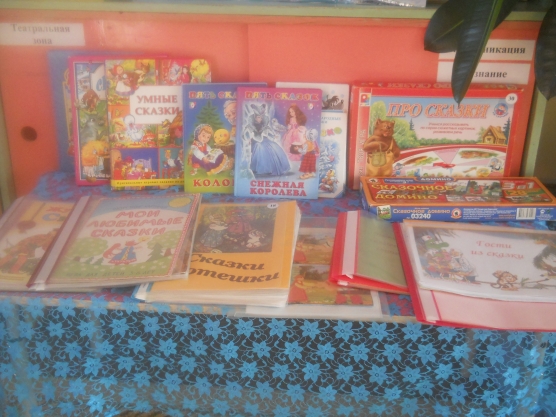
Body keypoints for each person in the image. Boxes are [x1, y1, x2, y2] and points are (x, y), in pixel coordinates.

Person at [242, 103, 290, 176]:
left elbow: (269, 130)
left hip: (264, 139)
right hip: (255, 141)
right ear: (255, 117)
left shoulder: (264, 123)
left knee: (273, 146)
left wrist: (273, 136)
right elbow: (245, 133)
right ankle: (261, 168)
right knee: (260, 148)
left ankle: (270, 168)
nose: (260, 119)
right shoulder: (251, 124)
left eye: (261, 117)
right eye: (258, 117)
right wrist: (248, 138)